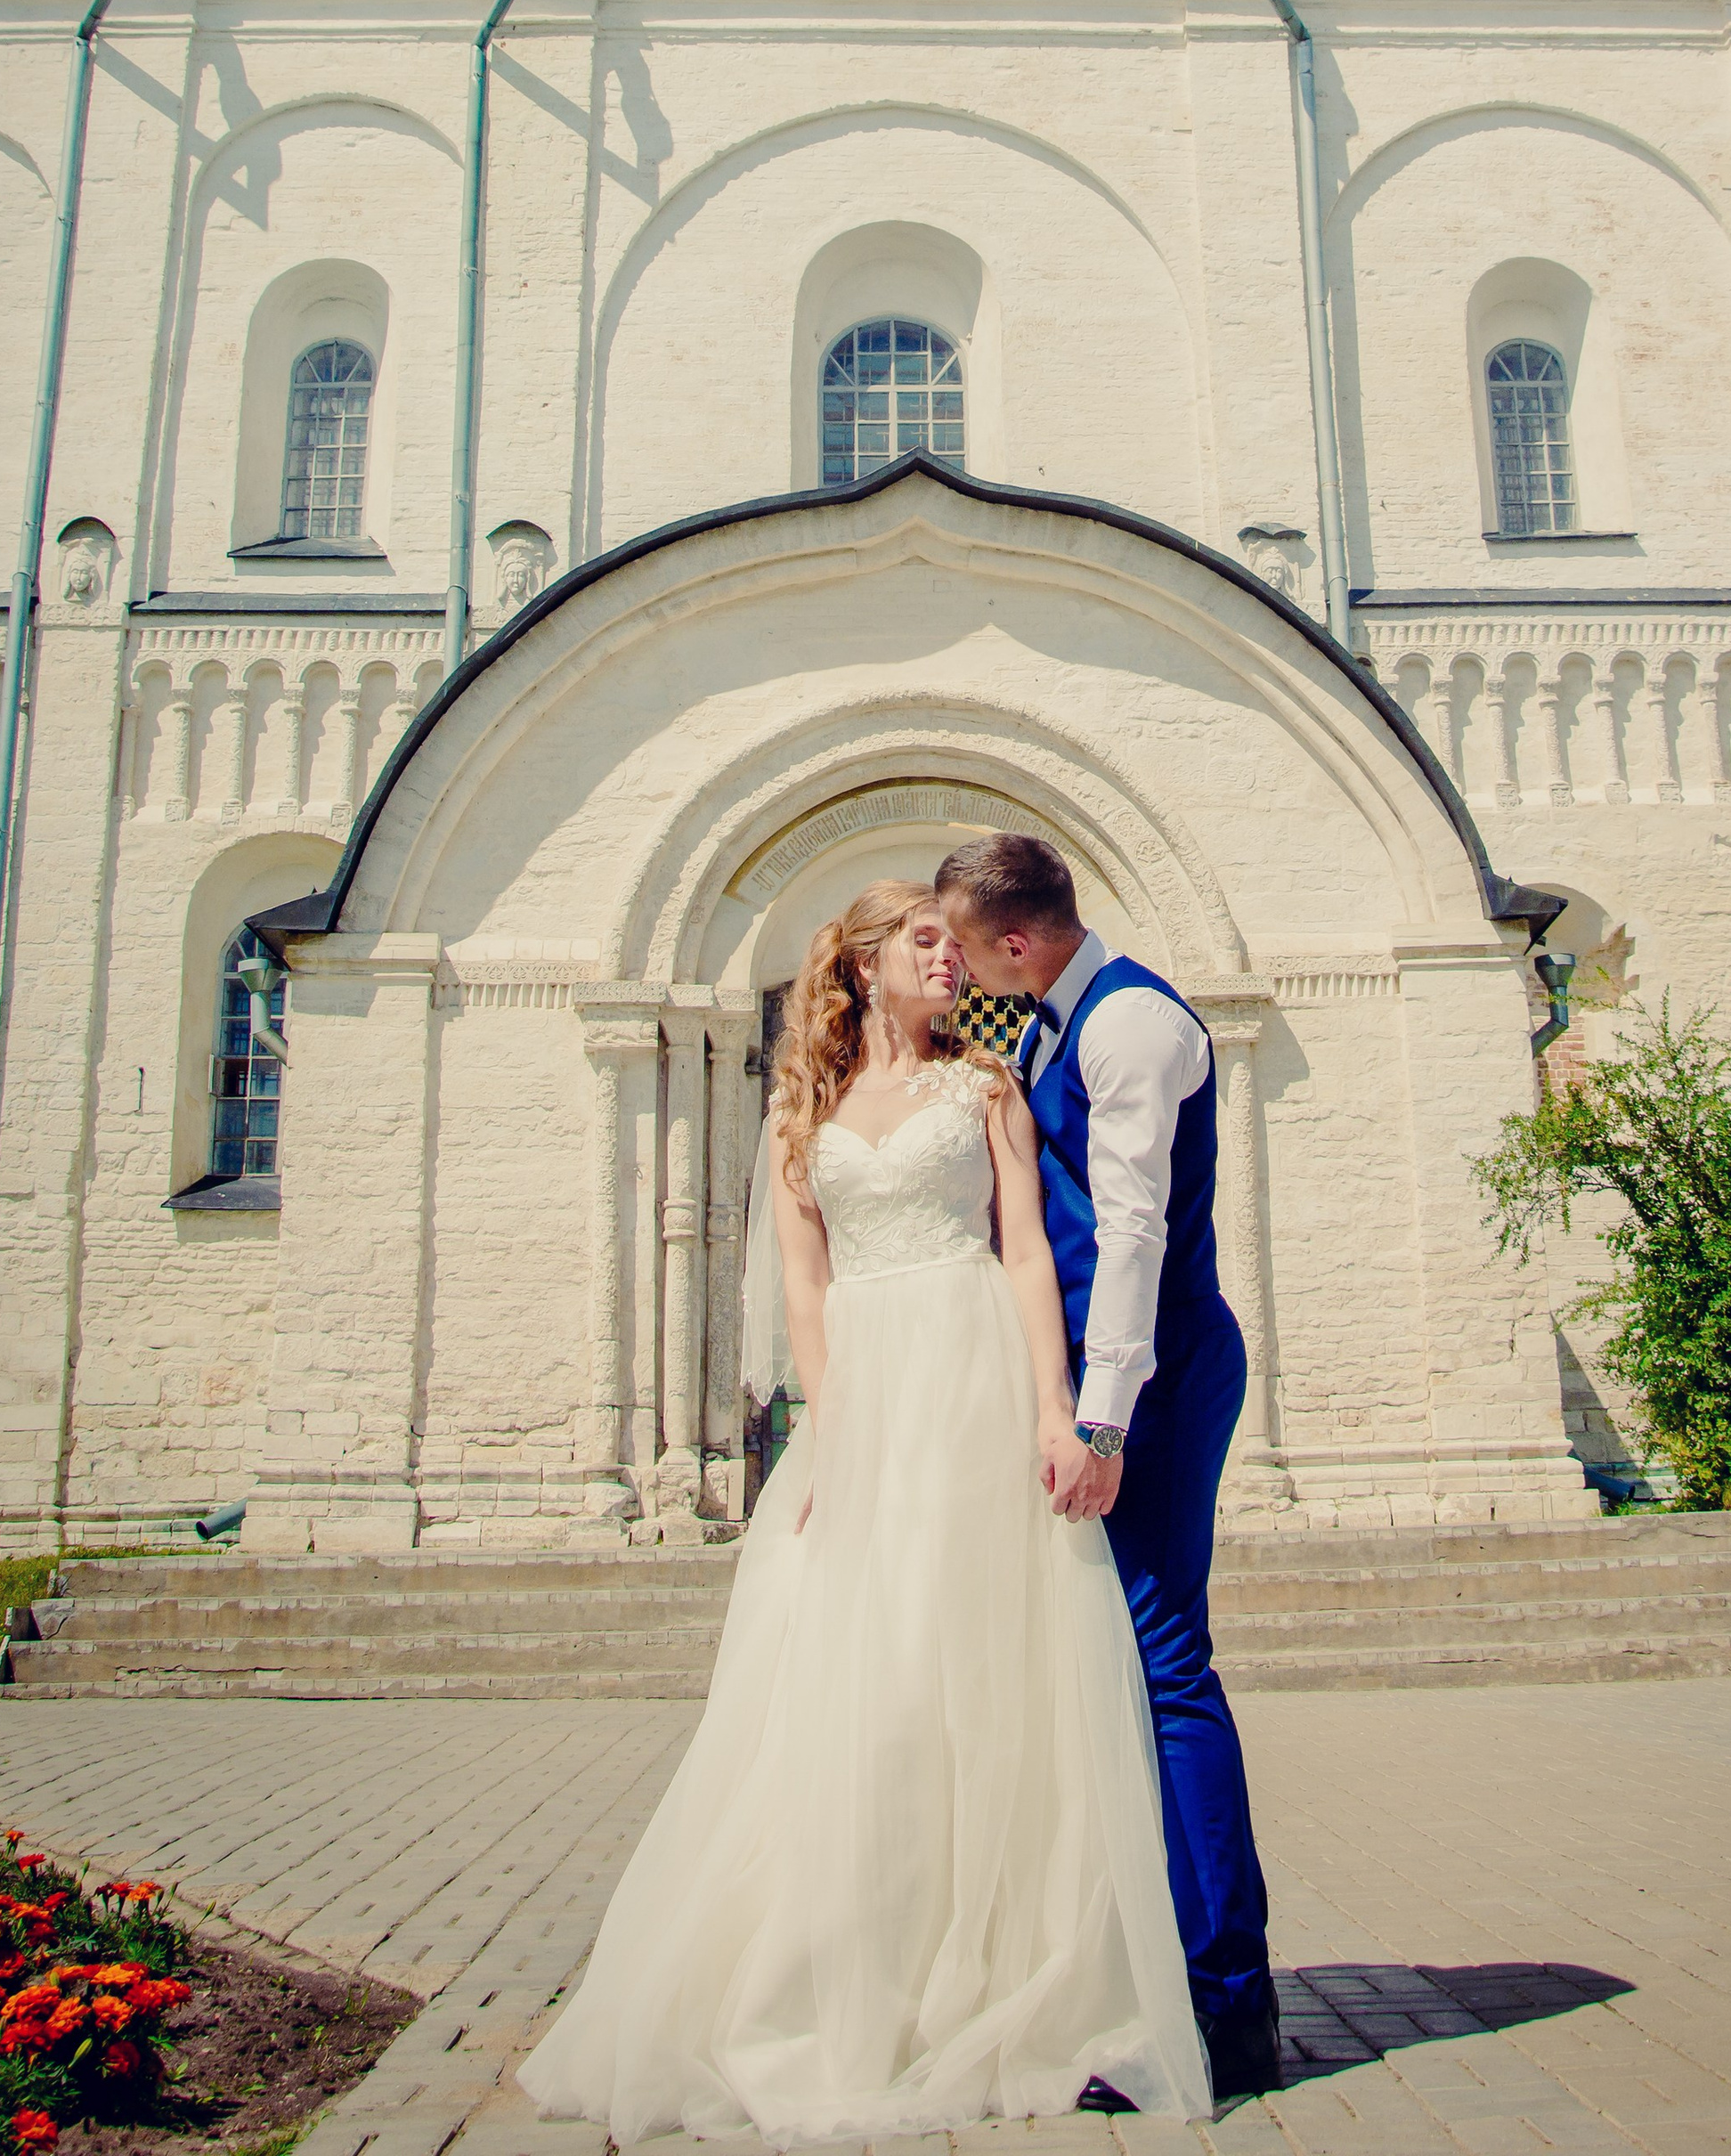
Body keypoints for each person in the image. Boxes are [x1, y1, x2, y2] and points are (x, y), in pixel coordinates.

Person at [516, 881, 1209, 2146]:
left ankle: (1005, 1982)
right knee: (866, 1688)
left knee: (995, 1678)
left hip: (977, 1382)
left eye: (958, 939)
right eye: (925, 941)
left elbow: (1021, 1256)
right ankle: (856, 1979)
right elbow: (803, 1285)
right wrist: (834, 1442)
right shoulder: (802, 1117)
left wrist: (1059, 1416)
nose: (950, 960)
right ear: (860, 966)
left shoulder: (984, 1090)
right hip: (872, 1410)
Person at [935, 833, 1281, 2103]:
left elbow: (1132, 1226)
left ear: (1017, 944)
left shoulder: (1129, 1025)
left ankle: (1224, 2002)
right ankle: (1149, 1970)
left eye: (967, 949)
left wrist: (1104, 1421)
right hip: (1110, 1378)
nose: (960, 969)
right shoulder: (1054, 1018)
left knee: (1164, 1665)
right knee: (1123, 1669)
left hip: (1157, 1377)